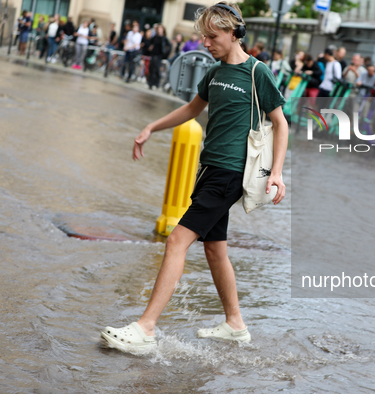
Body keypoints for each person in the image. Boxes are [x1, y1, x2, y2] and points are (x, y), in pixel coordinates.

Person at [101, 2, 288, 352]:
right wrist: (151, 127)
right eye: (204, 36)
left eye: (212, 36)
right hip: (209, 170)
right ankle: (235, 324)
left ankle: (146, 328)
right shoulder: (215, 73)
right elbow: (191, 109)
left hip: (232, 173)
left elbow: (280, 122)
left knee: (176, 241)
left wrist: (276, 172)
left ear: (234, 34)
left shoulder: (256, 72)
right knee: (216, 250)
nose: (206, 42)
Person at [147, 25, 171, 90]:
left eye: (161, 29)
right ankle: (150, 84)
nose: (159, 30)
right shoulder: (155, 37)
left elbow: (169, 46)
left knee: (157, 70)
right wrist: (150, 47)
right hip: (153, 55)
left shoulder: (164, 38)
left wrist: (165, 53)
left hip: (159, 56)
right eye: (159, 29)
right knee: (151, 69)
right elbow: (149, 43)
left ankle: (156, 84)